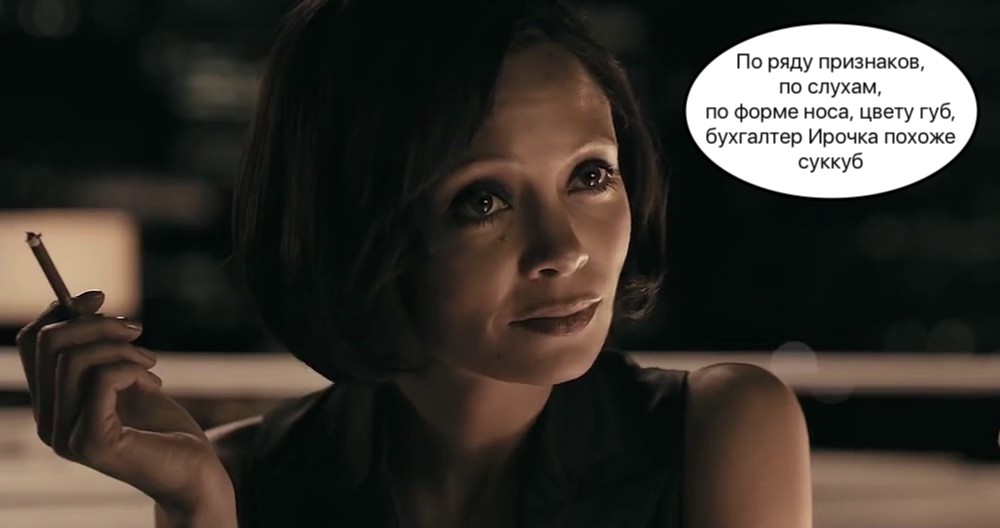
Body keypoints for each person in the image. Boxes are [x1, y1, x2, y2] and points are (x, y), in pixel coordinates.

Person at [14, 0, 812, 526]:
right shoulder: (236, 480)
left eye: (591, 176)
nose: (565, 249)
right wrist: (196, 507)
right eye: (483, 200)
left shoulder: (719, 430)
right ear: (360, 223)